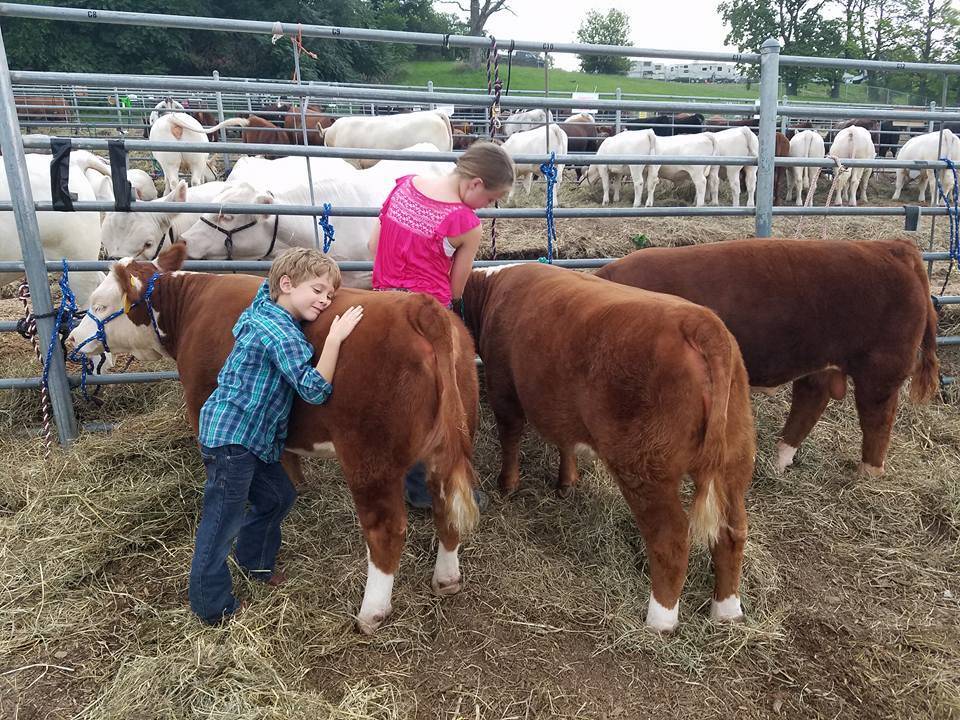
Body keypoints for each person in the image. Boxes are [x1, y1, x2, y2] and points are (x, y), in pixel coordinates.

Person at [190, 247, 363, 625]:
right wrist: (333, 339)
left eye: (330, 296)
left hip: (253, 439)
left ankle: (255, 563)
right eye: (317, 290)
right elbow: (314, 389)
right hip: (232, 440)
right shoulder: (280, 332)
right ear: (285, 284)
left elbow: (262, 292)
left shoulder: (265, 310)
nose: (324, 300)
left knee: (278, 496)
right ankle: (212, 607)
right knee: (222, 521)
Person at [367, 140, 515, 509]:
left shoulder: (404, 185)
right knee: (440, 400)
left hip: (382, 304)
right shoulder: (465, 223)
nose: (488, 206)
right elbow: (457, 287)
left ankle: (391, 471)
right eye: (491, 198)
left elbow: (373, 245)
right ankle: (424, 487)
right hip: (425, 315)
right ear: (475, 184)